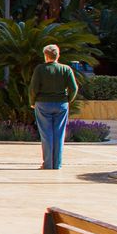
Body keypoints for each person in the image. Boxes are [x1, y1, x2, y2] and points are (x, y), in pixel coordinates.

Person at [30, 43, 79, 171]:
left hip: (43, 104)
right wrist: (68, 100)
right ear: (58, 55)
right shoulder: (66, 69)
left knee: (46, 134)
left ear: (46, 56)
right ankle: (57, 164)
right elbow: (74, 88)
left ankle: (47, 164)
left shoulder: (40, 69)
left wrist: (32, 101)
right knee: (59, 133)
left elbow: (33, 88)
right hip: (61, 104)